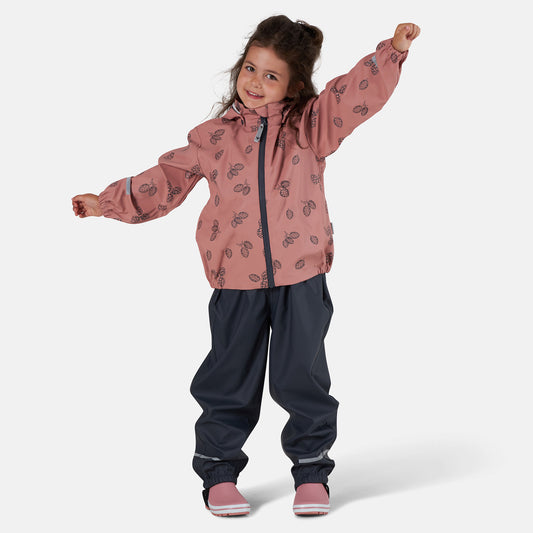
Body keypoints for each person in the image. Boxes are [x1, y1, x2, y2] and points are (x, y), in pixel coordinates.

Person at [72, 15, 420, 516]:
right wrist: (106, 202)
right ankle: (218, 471)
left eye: (271, 75)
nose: (255, 82)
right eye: (250, 69)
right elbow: (165, 181)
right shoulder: (212, 138)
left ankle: (312, 470)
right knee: (229, 377)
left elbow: (350, 96)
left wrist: (392, 51)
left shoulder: (310, 127)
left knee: (302, 376)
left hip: (301, 277)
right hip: (235, 279)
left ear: (293, 85)